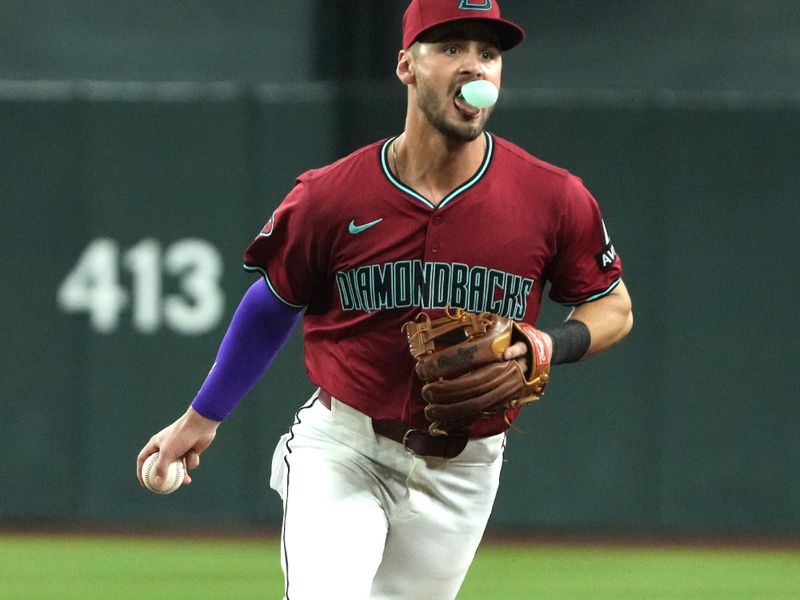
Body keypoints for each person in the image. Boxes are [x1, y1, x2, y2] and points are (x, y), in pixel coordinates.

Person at [137, 1, 633, 598]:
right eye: (451, 48)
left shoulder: (553, 197)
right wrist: (201, 418)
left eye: (488, 53)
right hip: (345, 449)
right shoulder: (330, 196)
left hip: (465, 468)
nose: (474, 67)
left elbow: (613, 308)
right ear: (406, 65)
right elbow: (272, 304)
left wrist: (549, 344)